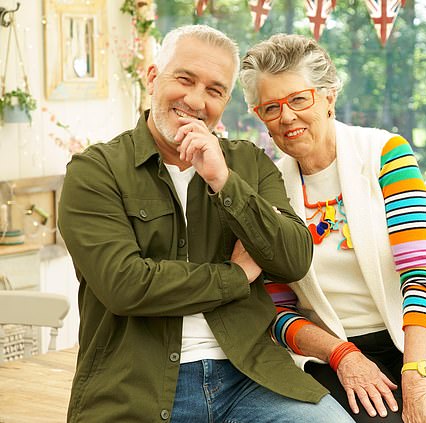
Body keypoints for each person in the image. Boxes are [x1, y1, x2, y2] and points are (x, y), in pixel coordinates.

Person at [57, 25, 354, 423]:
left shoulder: (247, 163)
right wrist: (235, 277)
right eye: (184, 79)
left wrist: (224, 182)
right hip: (135, 388)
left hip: (251, 378)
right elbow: (124, 286)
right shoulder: (95, 172)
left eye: (214, 90)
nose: (195, 100)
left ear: (226, 101)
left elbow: (294, 259)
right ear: (152, 78)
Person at [239, 34, 426, 423]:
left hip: (419, 337)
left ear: (329, 96)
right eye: (270, 107)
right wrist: (342, 355)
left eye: (299, 99)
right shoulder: (266, 190)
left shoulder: (384, 154)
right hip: (331, 349)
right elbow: (276, 310)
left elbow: (421, 273)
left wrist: (415, 379)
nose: (287, 117)